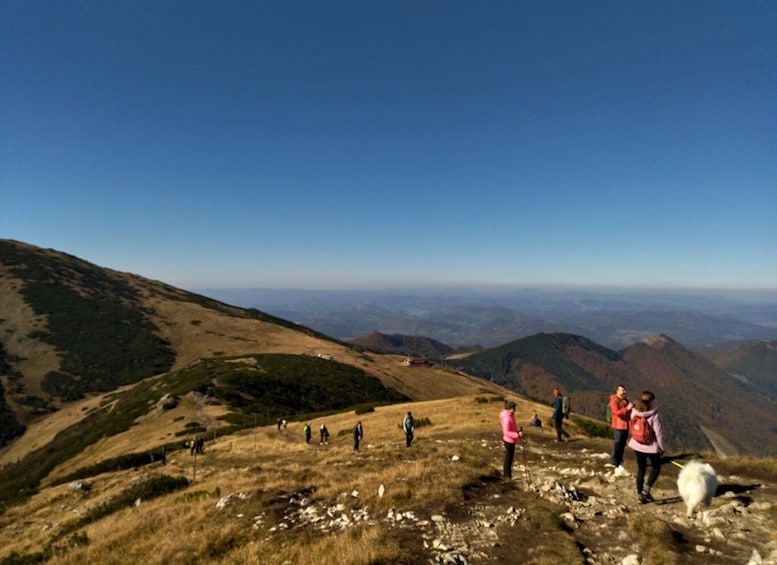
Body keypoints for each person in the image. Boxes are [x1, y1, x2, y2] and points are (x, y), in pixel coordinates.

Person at [628, 391, 665, 503]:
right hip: (651, 446)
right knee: (656, 468)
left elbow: (633, 426)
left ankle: (640, 494)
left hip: (637, 444)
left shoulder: (634, 411)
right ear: (652, 401)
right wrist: (661, 447)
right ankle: (646, 490)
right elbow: (658, 432)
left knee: (641, 469)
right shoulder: (653, 414)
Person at [609, 384, 634, 474]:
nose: (624, 392)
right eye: (622, 390)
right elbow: (616, 412)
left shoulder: (625, 400)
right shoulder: (614, 401)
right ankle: (613, 459)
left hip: (625, 425)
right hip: (618, 425)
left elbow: (627, 412)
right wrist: (627, 409)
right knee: (617, 443)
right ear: (617, 391)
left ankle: (620, 459)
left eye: (624, 390)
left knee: (622, 444)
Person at [499, 401, 520, 479]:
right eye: (514, 408)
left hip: (511, 439)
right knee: (508, 459)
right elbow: (506, 432)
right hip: (509, 440)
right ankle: (507, 476)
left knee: (509, 459)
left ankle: (508, 475)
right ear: (510, 409)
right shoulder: (507, 418)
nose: (515, 409)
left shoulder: (510, 415)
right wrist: (517, 435)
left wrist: (517, 432)